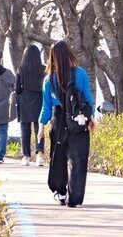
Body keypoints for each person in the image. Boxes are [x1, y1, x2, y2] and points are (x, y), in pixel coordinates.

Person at [39, 40, 94, 208]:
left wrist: (41, 126)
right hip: (78, 119)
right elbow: (87, 99)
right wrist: (90, 117)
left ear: (52, 57)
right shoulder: (80, 74)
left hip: (59, 119)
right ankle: (75, 198)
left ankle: (61, 192)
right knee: (77, 159)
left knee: (59, 157)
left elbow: (46, 105)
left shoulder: (49, 79)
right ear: (69, 54)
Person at [14, 44, 46, 167]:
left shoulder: (21, 70)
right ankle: (39, 155)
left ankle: (26, 156)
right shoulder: (43, 69)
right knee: (40, 128)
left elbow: (17, 89)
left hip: (25, 102)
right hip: (39, 100)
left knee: (25, 130)